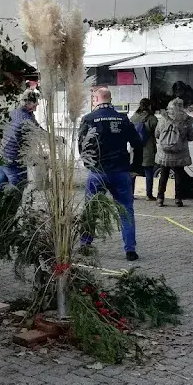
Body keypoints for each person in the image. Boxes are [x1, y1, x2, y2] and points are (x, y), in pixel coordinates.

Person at [78, 88, 143, 261]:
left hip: (98, 172)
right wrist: (135, 167)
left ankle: (85, 244)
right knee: (126, 210)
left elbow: (81, 145)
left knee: (91, 209)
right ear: (110, 99)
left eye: (93, 98)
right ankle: (130, 250)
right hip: (121, 171)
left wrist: (88, 164)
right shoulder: (123, 118)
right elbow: (138, 143)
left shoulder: (89, 119)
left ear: (96, 99)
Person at [154, 97, 193, 207]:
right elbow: (192, 137)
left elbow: (157, 134)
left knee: (163, 176)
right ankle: (178, 199)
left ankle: (160, 198)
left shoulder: (163, 119)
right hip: (179, 153)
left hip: (164, 154)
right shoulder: (186, 121)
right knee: (179, 176)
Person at [0, 89, 39, 191]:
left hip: (3, 155)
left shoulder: (13, 112)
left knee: (0, 189)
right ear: (27, 103)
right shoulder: (26, 118)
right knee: (17, 190)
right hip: (15, 160)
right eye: (35, 103)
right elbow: (38, 132)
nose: (36, 106)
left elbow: (1, 129)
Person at [129, 98, 159, 200]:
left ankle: (131, 194)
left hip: (135, 148)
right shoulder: (152, 118)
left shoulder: (134, 117)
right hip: (148, 148)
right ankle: (148, 195)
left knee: (133, 172)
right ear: (149, 106)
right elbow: (157, 132)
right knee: (148, 171)